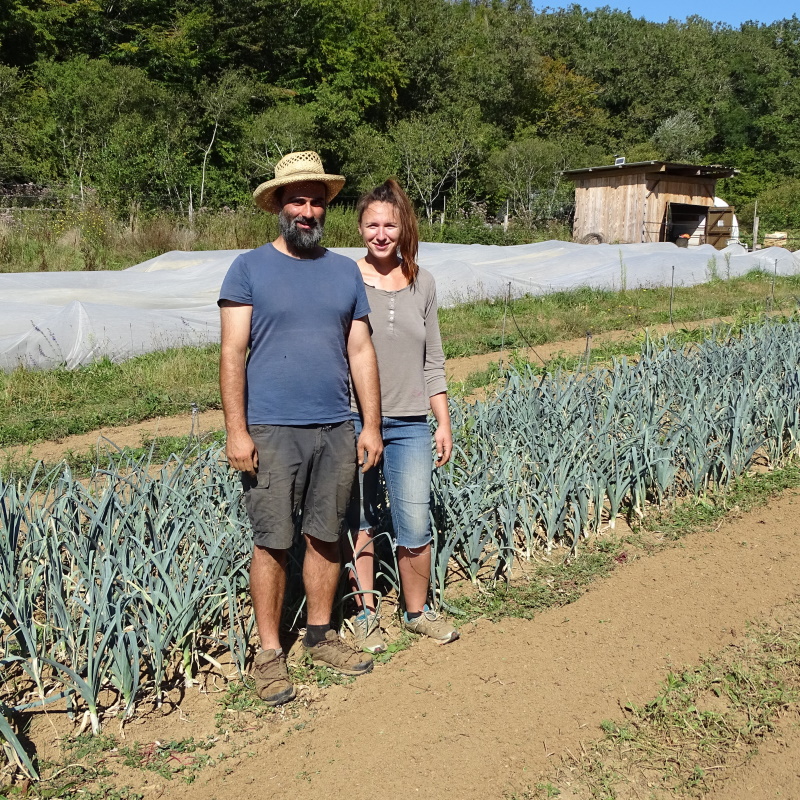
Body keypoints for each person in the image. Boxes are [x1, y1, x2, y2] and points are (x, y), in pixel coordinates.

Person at [218, 151, 384, 706]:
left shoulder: (343, 271)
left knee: (325, 532)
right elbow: (232, 350)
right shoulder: (248, 268)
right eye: (298, 199)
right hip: (271, 429)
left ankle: (320, 633)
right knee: (271, 540)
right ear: (279, 206)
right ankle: (269, 653)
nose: (308, 210)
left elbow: (360, 350)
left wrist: (371, 425)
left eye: (315, 200)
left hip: (336, 426)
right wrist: (236, 430)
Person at [347, 179, 458, 654]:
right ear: (360, 228)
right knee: (361, 518)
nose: (380, 233)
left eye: (389, 224)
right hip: (354, 420)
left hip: (411, 422)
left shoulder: (423, 281)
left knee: (415, 521)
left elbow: (433, 359)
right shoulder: (345, 277)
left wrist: (444, 420)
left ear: (404, 227)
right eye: (372, 224)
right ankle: (365, 614)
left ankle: (417, 613)